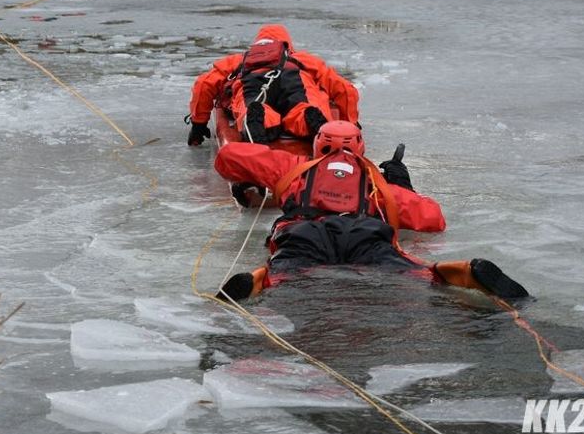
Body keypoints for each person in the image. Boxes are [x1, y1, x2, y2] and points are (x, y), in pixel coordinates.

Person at [212, 120, 529, 302]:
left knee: (286, 270)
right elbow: (433, 219)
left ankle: (256, 281)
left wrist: (255, 172)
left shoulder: (292, 167)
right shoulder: (376, 184)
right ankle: (455, 271)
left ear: (318, 144)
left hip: (304, 231)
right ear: (360, 147)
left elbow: (228, 156)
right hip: (365, 232)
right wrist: (403, 186)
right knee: (405, 269)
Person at [186, 24, 359, 147]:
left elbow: (204, 84)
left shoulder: (241, 59)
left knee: (254, 106)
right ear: (287, 44)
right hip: (295, 81)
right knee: (304, 106)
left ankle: (259, 119)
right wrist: (349, 124)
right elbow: (345, 89)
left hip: (252, 84)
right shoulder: (302, 59)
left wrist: (198, 124)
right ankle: (307, 117)